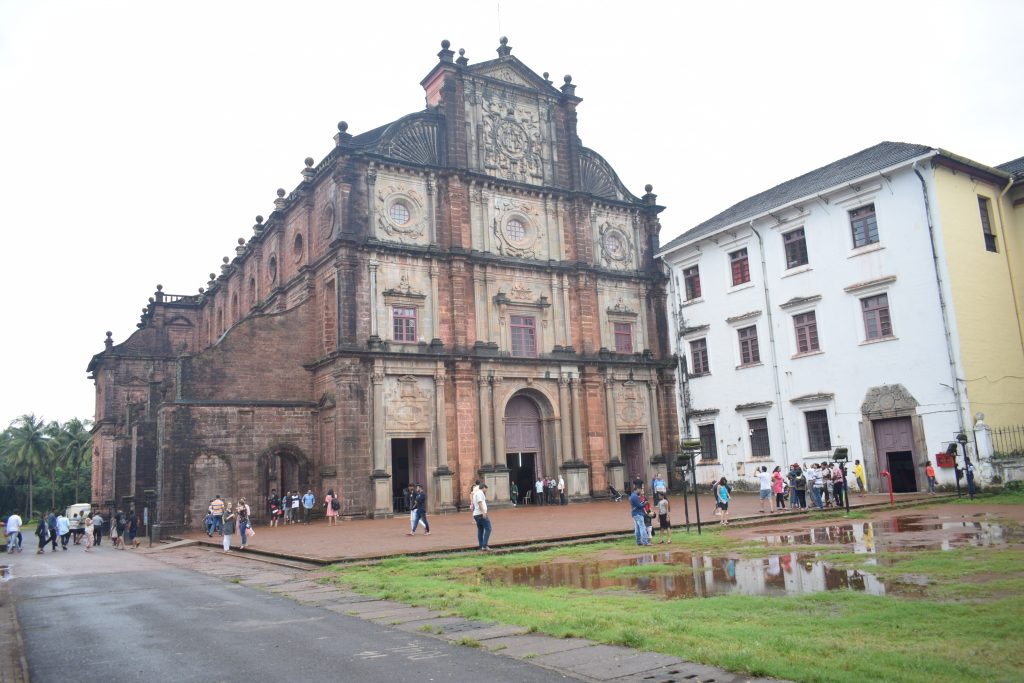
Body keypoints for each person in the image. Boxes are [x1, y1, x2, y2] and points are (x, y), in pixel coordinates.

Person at [472, 482, 491, 551]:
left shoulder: (475, 493)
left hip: (476, 514)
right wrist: (483, 512)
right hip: (480, 513)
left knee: (480, 530)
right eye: (486, 489)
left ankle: (481, 545)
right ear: (483, 488)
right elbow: (480, 502)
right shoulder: (480, 493)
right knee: (488, 528)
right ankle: (484, 545)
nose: (486, 491)